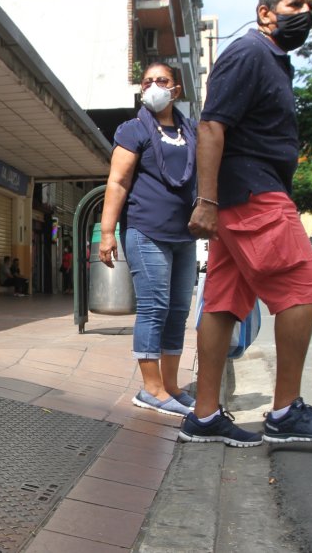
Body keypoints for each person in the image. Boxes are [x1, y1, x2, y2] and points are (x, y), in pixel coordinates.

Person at [182, 0, 312, 446]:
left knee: (222, 303)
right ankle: (284, 412)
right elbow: (212, 126)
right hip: (253, 193)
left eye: (309, 6)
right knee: (306, 285)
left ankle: (204, 416)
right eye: (295, 5)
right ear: (265, 12)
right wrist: (208, 201)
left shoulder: (273, 60)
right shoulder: (250, 52)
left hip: (242, 195)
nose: (305, 14)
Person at [99, 62, 198, 418]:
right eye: (148, 81)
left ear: (177, 90)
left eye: (162, 80)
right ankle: (150, 388)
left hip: (185, 235)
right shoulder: (133, 129)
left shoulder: (191, 131)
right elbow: (118, 182)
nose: (154, 86)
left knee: (178, 311)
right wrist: (107, 231)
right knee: (154, 307)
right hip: (146, 231)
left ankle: (170, 386)